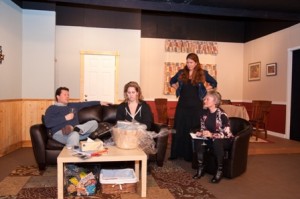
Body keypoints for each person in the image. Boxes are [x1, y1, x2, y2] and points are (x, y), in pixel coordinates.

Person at [169, 53, 217, 161]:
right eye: (187, 62)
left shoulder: (202, 73)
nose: (189, 64)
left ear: (196, 63)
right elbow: (172, 81)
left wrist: (205, 90)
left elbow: (214, 83)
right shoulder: (182, 73)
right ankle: (176, 154)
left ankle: (191, 155)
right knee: (179, 128)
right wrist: (176, 87)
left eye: (191, 62)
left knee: (193, 129)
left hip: (196, 106)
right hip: (182, 105)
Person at [44, 87, 110, 148]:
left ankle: (77, 128)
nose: (67, 96)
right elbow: (48, 123)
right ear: (58, 96)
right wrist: (65, 118)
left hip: (78, 133)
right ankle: (72, 156)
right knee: (74, 135)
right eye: (65, 95)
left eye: (68, 95)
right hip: (60, 133)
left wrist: (100, 102)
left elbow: (85, 104)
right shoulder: (52, 108)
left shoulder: (72, 105)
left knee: (94, 122)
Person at [192, 90, 233, 183]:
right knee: (198, 140)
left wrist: (212, 135)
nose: (204, 100)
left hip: (224, 140)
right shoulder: (204, 114)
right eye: (205, 98)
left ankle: (219, 170)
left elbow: (227, 133)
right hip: (211, 138)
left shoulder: (222, 115)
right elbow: (203, 128)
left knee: (217, 141)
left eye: (207, 99)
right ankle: (201, 168)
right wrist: (201, 133)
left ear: (214, 102)